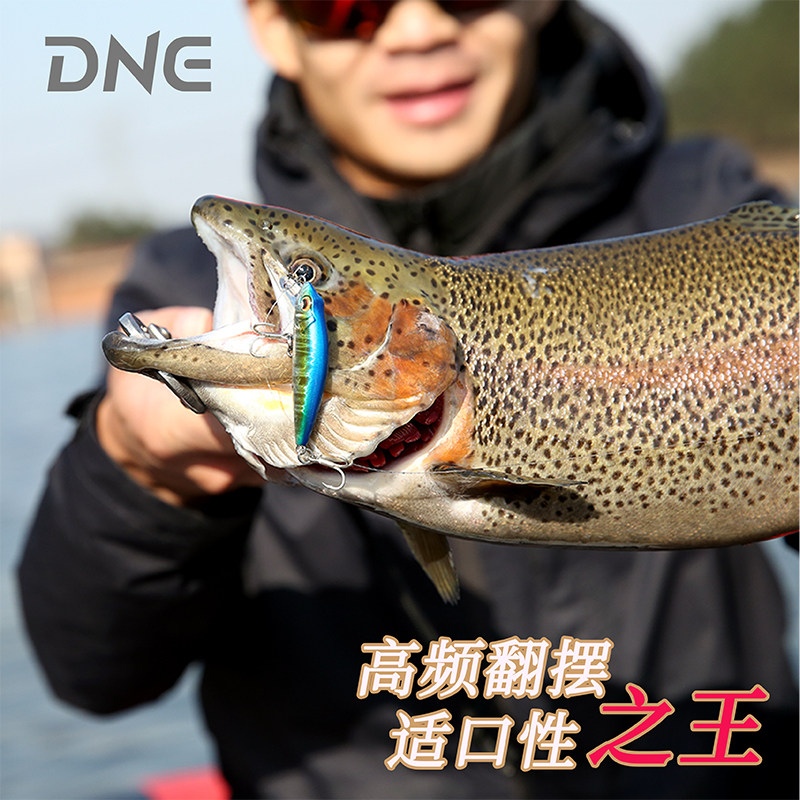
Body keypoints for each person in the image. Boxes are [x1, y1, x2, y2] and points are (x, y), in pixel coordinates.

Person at [18, 2, 798, 798]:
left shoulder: (706, 206)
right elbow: (91, 673)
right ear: (274, 28)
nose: (418, 31)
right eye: (346, 7)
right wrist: (139, 470)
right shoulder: (183, 287)